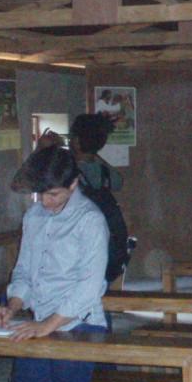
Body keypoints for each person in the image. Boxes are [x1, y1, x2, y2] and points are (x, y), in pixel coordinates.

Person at [0, 146, 108, 382]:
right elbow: (25, 271)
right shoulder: (35, 217)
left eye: (54, 193)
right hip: (40, 322)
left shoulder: (90, 220)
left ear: (73, 184)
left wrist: (48, 325)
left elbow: (89, 287)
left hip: (80, 325)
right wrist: (13, 305)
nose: (46, 201)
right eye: (40, 193)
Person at [68, 114, 130, 284]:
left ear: (77, 141)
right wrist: (94, 155)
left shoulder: (66, 171)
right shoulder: (104, 171)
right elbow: (118, 181)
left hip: (77, 250)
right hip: (104, 249)